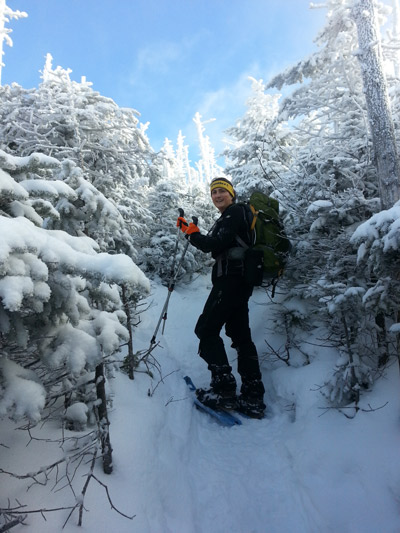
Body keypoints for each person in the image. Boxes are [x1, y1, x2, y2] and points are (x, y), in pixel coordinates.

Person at [177, 176, 266, 419]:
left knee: (206, 329)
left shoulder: (235, 212)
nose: (217, 195)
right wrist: (192, 232)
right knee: (241, 337)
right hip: (239, 283)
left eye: (222, 191)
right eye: (214, 192)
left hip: (230, 282)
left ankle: (224, 390)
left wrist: (191, 232)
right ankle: (253, 396)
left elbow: (212, 244)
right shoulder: (234, 216)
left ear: (231, 194)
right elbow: (219, 243)